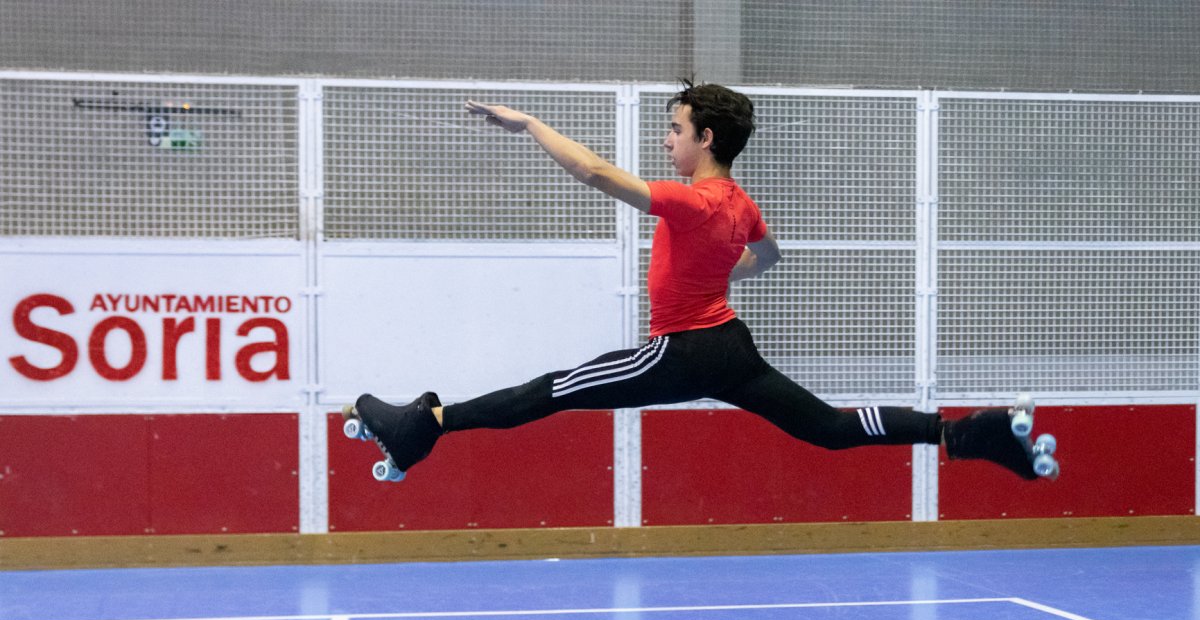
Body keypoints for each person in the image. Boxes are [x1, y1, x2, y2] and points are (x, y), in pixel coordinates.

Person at [353, 79, 1046, 482]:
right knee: (831, 429)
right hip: (728, 348)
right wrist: (720, 272)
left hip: (683, 349)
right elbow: (768, 256)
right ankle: (967, 434)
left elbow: (594, 171)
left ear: (706, 138)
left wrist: (529, 121)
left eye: (676, 129)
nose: (668, 140)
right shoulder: (741, 204)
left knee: (554, 388)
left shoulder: (696, 200)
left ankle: (424, 426)